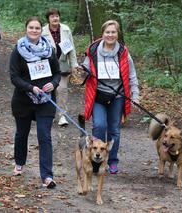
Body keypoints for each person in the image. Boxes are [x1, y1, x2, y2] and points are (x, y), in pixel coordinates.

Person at [81, 20, 140, 174]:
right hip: (98, 95)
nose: (110, 35)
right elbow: (84, 68)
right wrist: (84, 72)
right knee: (99, 125)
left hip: (118, 95)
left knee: (114, 130)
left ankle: (111, 160)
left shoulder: (123, 52)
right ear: (103, 33)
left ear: (117, 34)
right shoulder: (93, 50)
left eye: (113, 32)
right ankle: (95, 160)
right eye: (107, 32)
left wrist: (135, 94)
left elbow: (132, 75)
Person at [9, 16, 61, 188]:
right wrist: (31, 88)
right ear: (26, 29)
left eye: (37, 28)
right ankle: (19, 163)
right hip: (23, 99)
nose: (34, 30)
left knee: (44, 136)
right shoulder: (18, 50)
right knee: (21, 134)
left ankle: (47, 176)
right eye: (31, 27)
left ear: (41, 30)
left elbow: (57, 74)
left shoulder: (49, 50)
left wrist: (53, 84)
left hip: (45, 100)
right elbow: (14, 77)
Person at [42, 8, 78, 127]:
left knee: (62, 90)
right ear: (48, 19)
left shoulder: (66, 30)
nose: (55, 18)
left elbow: (71, 49)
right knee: (49, 89)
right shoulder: (42, 32)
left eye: (57, 16)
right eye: (52, 16)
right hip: (47, 66)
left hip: (62, 65)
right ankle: (49, 114)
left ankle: (62, 115)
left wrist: (74, 65)